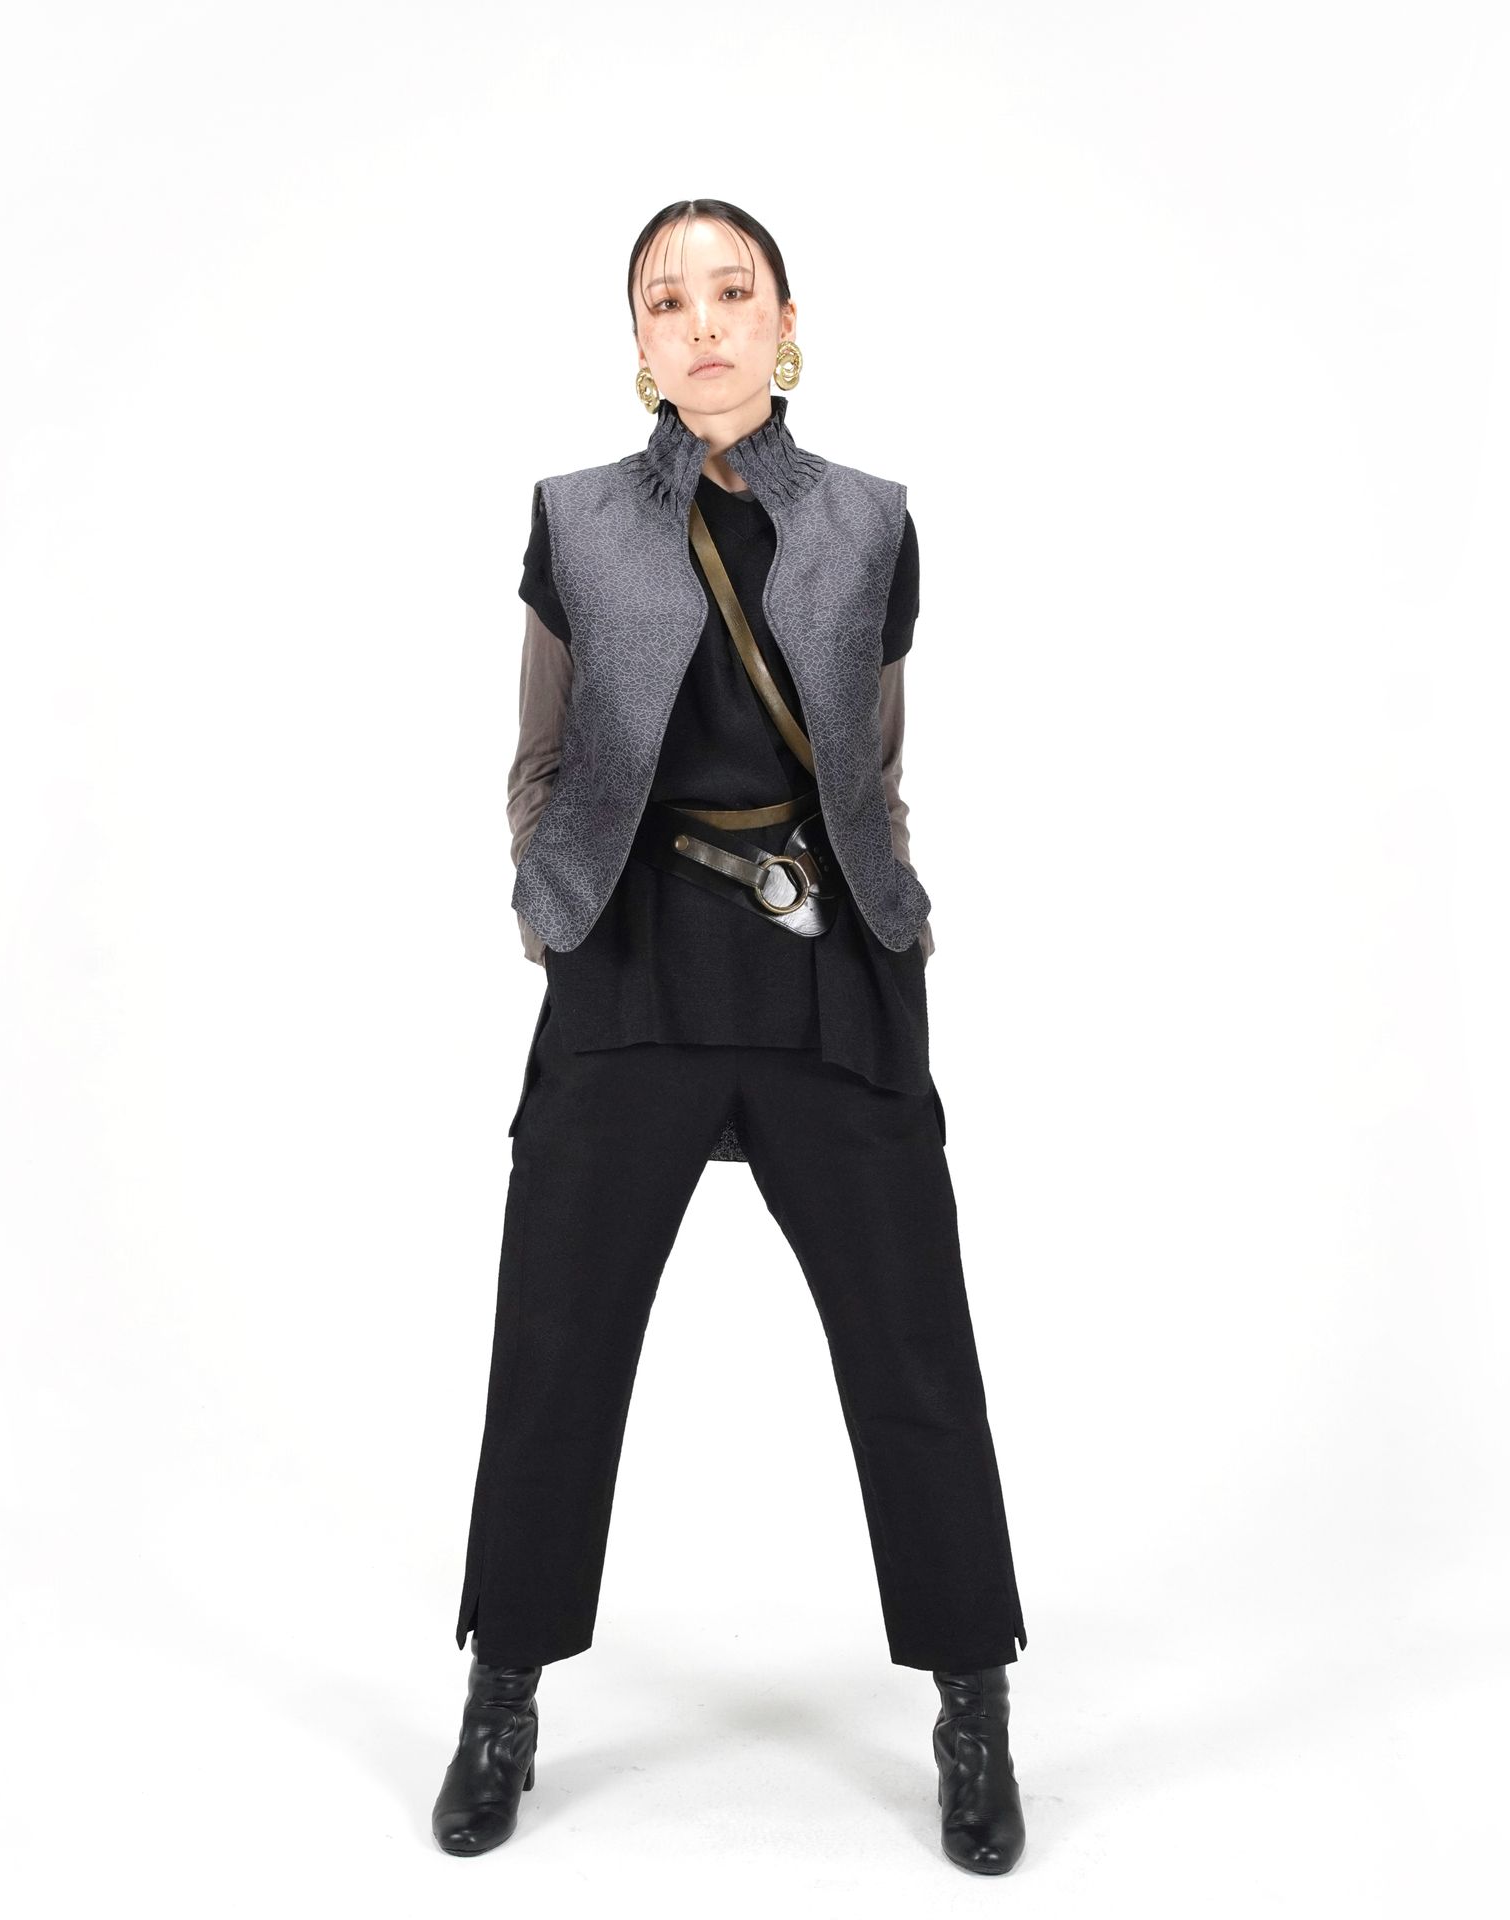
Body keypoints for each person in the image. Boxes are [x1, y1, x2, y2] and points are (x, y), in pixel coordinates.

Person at [432, 200, 1029, 1875]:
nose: (702, 323)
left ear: (784, 323)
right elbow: (542, 758)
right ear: (639, 341)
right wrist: (550, 906)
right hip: (630, 966)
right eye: (667, 299)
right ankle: (502, 1695)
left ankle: (973, 1702)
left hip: (829, 971)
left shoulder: (871, 519)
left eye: (732, 291)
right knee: (558, 1348)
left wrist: (894, 915)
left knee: (911, 1348)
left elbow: (873, 769)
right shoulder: (574, 518)